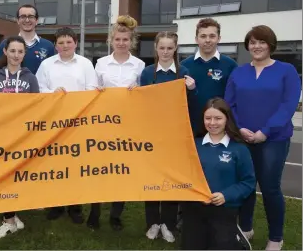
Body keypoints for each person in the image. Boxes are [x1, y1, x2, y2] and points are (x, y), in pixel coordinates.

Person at [225, 25, 301, 251]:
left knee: (269, 188)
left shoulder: (286, 71)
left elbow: (288, 105)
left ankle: (276, 237)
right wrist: (241, 129)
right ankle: (246, 227)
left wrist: (265, 131)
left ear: (271, 45)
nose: (256, 47)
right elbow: (230, 104)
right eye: (252, 42)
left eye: (262, 42)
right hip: (243, 137)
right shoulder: (238, 72)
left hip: (274, 139)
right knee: (246, 185)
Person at [36, 27, 98, 224]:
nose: (65, 46)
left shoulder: (85, 64)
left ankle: (75, 206)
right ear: (55, 45)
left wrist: (74, 102)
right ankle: (56, 204)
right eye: (61, 42)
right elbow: (39, 89)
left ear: (75, 43)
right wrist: (53, 93)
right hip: (53, 122)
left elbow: (92, 89)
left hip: (78, 122)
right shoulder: (46, 65)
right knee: (55, 165)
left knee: (75, 165)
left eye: (68, 42)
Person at [88, 15, 145, 231]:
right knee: (100, 169)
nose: (121, 43)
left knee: (122, 170)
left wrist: (138, 93)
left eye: (125, 39)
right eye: (118, 39)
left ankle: (115, 215)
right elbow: (92, 90)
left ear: (132, 41)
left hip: (128, 126)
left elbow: (145, 95)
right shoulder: (101, 63)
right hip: (103, 125)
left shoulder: (139, 65)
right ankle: (94, 212)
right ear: (111, 41)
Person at [140, 31, 196, 243]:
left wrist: (193, 89)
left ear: (175, 49)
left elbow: (191, 105)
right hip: (152, 135)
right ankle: (153, 223)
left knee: (171, 179)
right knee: (152, 179)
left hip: (175, 136)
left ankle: (168, 224)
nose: (165, 52)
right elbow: (141, 104)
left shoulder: (185, 72)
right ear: (156, 49)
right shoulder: (147, 73)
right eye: (161, 48)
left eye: (169, 48)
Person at [181, 97, 255, 250]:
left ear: (227, 119)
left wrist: (225, 195)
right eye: (208, 118)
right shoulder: (193, 145)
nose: (212, 123)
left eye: (218, 118)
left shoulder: (239, 149)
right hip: (194, 210)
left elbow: (248, 182)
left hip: (225, 210)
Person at [0, 36, 39, 239]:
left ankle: (13, 214)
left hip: (23, 134)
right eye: (12, 51)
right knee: (4, 175)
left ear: (24, 55)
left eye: (20, 51)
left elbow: (37, 106)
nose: (16, 55)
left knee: (19, 175)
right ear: (5, 52)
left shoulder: (30, 78)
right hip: (2, 133)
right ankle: (8, 220)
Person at [180, 18, 237, 135]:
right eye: (203, 36)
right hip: (191, 129)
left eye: (212, 36)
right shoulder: (184, 66)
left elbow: (235, 98)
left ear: (219, 38)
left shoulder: (230, 65)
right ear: (196, 39)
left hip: (220, 129)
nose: (207, 40)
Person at [0, 4, 55, 75]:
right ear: (17, 20)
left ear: (36, 20)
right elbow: (0, 71)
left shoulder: (48, 46)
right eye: (23, 16)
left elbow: (52, 73)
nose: (27, 20)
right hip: (13, 86)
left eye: (31, 16)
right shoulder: (6, 43)